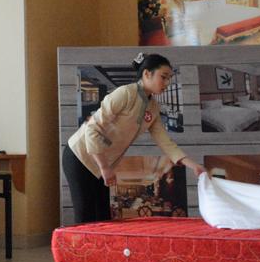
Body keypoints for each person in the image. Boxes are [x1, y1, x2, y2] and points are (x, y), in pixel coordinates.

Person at [62, 52, 206, 224]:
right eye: (163, 77)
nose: (167, 83)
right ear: (147, 74)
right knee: (85, 215)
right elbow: (92, 129)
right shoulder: (125, 93)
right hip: (80, 156)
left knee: (103, 216)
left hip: (102, 164)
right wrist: (105, 167)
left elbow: (165, 142)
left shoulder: (153, 107)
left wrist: (193, 165)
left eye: (169, 78)